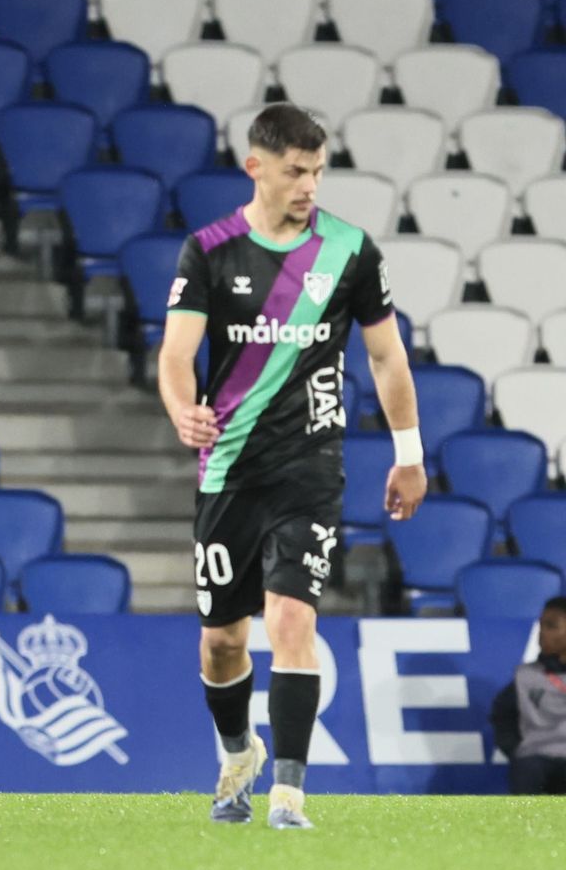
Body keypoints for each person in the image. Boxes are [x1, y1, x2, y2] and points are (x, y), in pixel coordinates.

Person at [157, 103, 427, 829]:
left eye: (317, 170)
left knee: (291, 618)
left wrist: (409, 455)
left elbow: (386, 356)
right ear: (257, 168)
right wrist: (184, 409)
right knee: (221, 642)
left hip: (310, 468)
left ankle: (289, 794)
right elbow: (177, 356)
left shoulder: (350, 251)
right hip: (229, 469)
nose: (310, 184)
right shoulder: (209, 250)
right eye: (295, 171)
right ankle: (237, 750)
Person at [490, 596, 566, 795]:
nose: (541, 633)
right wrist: (516, 750)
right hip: (536, 758)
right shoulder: (526, 676)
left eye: (551, 626)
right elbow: (502, 716)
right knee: (527, 768)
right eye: (541, 625)